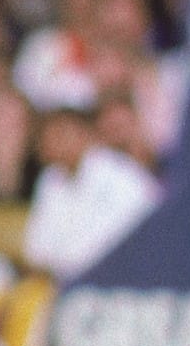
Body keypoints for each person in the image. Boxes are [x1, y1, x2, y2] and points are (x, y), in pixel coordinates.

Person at [22, 102, 160, 280]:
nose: (55, 142)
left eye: (63, 133)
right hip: (59, 281)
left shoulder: (120, 174)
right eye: (48, 136)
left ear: (88, 134)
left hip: (120, 277)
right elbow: (36, 249)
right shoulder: (50, 180)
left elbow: (124, 240)